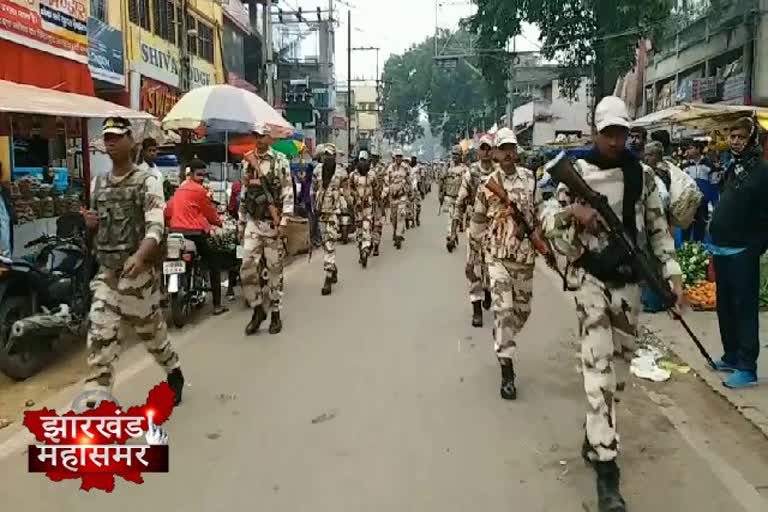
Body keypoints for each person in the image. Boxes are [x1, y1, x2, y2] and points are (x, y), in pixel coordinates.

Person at [540, 97, 683, 512]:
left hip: (627, 285)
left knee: (617, 377)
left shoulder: (642, 177)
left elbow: (658, 229)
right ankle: (608, 474)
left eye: (622, 133)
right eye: (609, 133)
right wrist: (574, 214)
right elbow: (546, 218)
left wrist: (672, 276)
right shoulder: (575, 172)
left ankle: (594, 433)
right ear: (595, 132)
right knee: (598, 372)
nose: (616, 141)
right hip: (589, 280)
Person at [82, 117, 184, 406]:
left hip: (138, 277)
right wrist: (90, 225)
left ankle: (173, 370)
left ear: (132, 143)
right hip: (108, 275)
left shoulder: (146, 180)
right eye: (107, 137)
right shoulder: (98, 183)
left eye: (116, 136)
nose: (110, 142)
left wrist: (141, 256)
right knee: (99, 342)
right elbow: (98, 229)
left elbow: (156, 225)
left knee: (153, 336)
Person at [470, 128, 537, 402]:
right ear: (496, 154)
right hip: (496, 257)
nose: (508, 153)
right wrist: (473, 261)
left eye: (512, 148)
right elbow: (476, 224)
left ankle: (503, 334)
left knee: (521, 313)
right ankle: (507, 369)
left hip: (524, 258)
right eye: (503, 148)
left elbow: (540, 213)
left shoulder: (530, 179)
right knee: (505, 309)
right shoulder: (488, 185)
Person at [708, 117, 768, 388]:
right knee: (726, 307)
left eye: (741, 137)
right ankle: (731, 354)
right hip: (721, 249)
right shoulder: (735, 167)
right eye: (732, 136)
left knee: (744, 309)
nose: (735, 141)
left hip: (743, 251)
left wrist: (755, 248)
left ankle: (747, 365)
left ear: (752, 139)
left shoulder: (762, 171)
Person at [239, 124, 294, 335]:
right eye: (256, 136)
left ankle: (275, 313)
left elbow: (288, 191)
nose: (259, 140)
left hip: (272, 223)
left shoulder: (279, 160)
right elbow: (244, 192)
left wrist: (284, 220)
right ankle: (257, 308)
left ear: (269, 139)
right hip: (253, 222)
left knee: (274, 270)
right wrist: (241, 221)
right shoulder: (248, 161)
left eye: (262, 136)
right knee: (246, 268)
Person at [165, 159, 227, 315]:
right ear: (191, 174)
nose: (201, 178)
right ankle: (217, 305)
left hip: (175, 232)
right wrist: (219, 223)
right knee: (214, 263)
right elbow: (209, 213)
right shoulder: (200, 191)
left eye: (203, 175)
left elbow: (168, 211)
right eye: (199, 174)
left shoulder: (179, 190)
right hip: (194, 233)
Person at [456, 134, 497, 327]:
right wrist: (457, 218)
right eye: (483, 148)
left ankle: (488, 290)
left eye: (489, 148)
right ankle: (476, 308)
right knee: (472, 265)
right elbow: (462, 196)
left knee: (492, 264)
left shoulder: (499, 173)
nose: (486, 152)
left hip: (496, 225)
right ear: (478, 151)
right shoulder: (471, 172)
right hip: (476, 224)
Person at [313, 144, 348, 295]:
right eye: (325, 155)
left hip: (334, 212)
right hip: (321, 212)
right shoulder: (317, 171)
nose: (328, 158)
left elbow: (346, 190)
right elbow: (314, 189)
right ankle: (332, 267)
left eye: (330, 155)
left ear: (335, 157)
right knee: (324, 242)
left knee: (330, 243)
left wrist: (347, 205)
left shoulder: (341, 172)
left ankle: (327, 277)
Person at [681, 141, 718, 242]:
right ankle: (685, 252)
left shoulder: (710, 165)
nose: (687, 151)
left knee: (700, 230)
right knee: (686, 230)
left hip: (703, 204)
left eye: (690, 148)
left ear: (698, 149)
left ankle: (699, 252)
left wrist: (714, 204)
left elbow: (714, 185)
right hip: (688, 204)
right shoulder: (684, 167)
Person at [348, 150, 377, 268]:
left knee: (367, 226)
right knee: (359, 229)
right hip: (357, 207)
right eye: (361, 161)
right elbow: (349, 189)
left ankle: (366, 248)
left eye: (364, 161)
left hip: (368, 206)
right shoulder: (353, 175)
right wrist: (354, 198)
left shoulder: (372, 175)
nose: (362, 163)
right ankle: (361, 249)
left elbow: (376, 188)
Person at [440, 146, 466, 252]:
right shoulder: (447, 167)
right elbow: (442, 180)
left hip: (460, 198)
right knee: (450, 217)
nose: (455, 157)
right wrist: (440, 193)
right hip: (449, 196)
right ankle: (450, 236)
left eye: (457, 155)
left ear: (461, 156)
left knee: (457, 218)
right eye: (453, 155)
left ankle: (453, 234)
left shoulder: (464, 169)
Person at [385, 149, 412, 250]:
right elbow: (386, 182)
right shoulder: (390, 168)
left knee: (401, 215)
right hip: (393, 196)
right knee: (393, 217)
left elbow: (409, 180)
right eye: (397, 156)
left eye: (400, 156)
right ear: (394, 158)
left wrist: (410, 192)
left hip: (402, 195)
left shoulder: (405, 168)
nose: (399, 158)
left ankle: (398, 236)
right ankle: (395, 231)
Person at [370, 150, 388, 256]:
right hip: (368, 200)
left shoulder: (382, 169)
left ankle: (376, 244)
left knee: (377, 223)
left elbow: (386, 184)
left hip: (379, 200)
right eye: (372, 157)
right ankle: (369, 242)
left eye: (376, 157)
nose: (374, 159)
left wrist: (383, 195)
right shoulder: (367, 168)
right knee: (368, 223)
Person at [408, 156, 422, 227]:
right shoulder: (408, 168)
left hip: (416, 189)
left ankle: (417, 218)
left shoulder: (418, 168)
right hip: (410, 190)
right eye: (412, 159)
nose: (414, 160)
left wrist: (421, 191)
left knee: (418, 206)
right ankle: (412, 221)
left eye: (415, 159)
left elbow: (419, 180)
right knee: (411, 207)